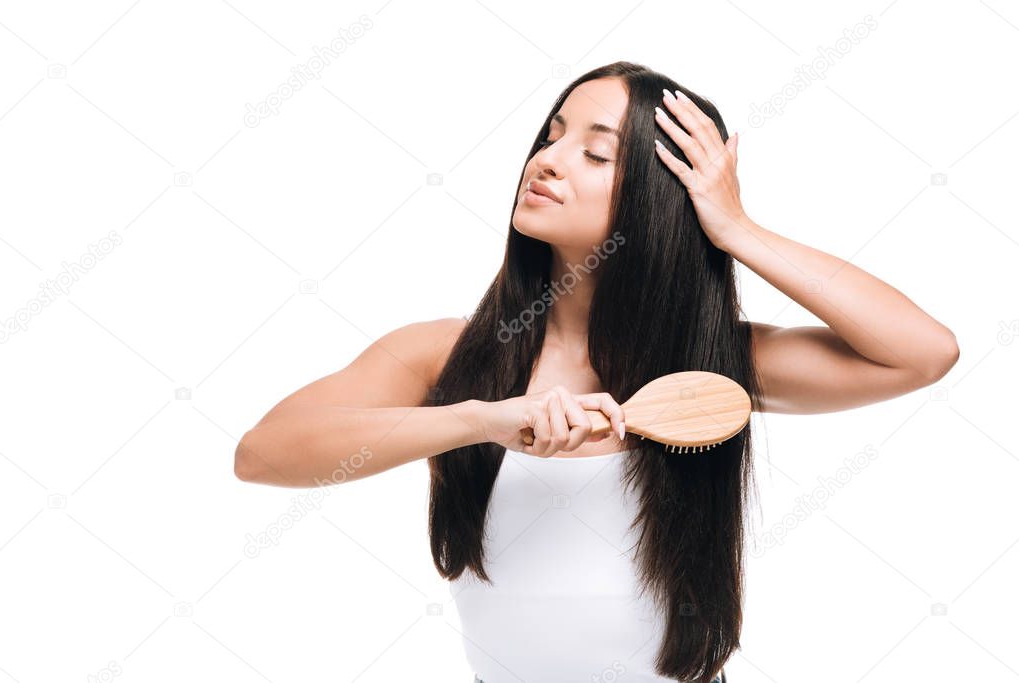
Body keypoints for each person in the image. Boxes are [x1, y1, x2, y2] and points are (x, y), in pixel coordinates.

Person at [234, 61, 959, 682]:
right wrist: (482, 419)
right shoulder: (443, 354)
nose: (545, 159)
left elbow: (921, 352)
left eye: (595, 152)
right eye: (550, 135)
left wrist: (734, 226)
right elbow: (262, 453)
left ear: (658, 195)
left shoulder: (715, 366)